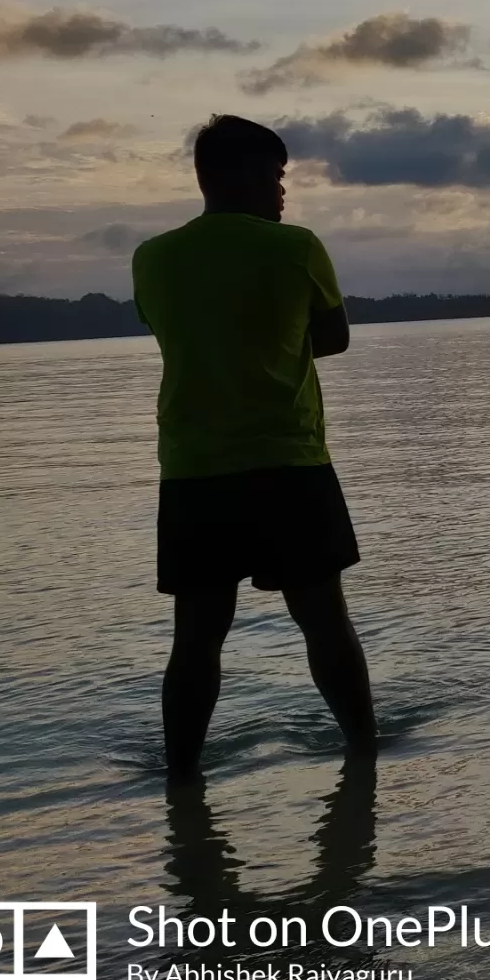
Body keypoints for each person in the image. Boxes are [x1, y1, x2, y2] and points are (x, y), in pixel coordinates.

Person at [132, 114, 377, 784]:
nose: (282, 193)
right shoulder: (296, 248)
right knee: (324, 622)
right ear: (242, 176)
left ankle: (181, 779)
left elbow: (173, 331)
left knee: (196, 636)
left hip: (194, 472)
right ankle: (364, 755)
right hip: (287, 463)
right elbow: (334, 337)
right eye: (276, 177)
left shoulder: (152, 258)